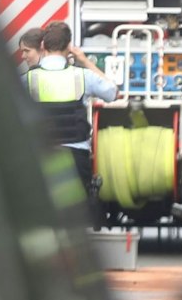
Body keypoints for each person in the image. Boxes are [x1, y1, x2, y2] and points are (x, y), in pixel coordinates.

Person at [23, 21, 117, 188]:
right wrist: (85, 61)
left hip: (42, 156)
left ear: (43, 45)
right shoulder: (82, 76)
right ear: (69, 46)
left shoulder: (29, 79)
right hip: (76, 157)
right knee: (79, 211)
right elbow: (113, 93)